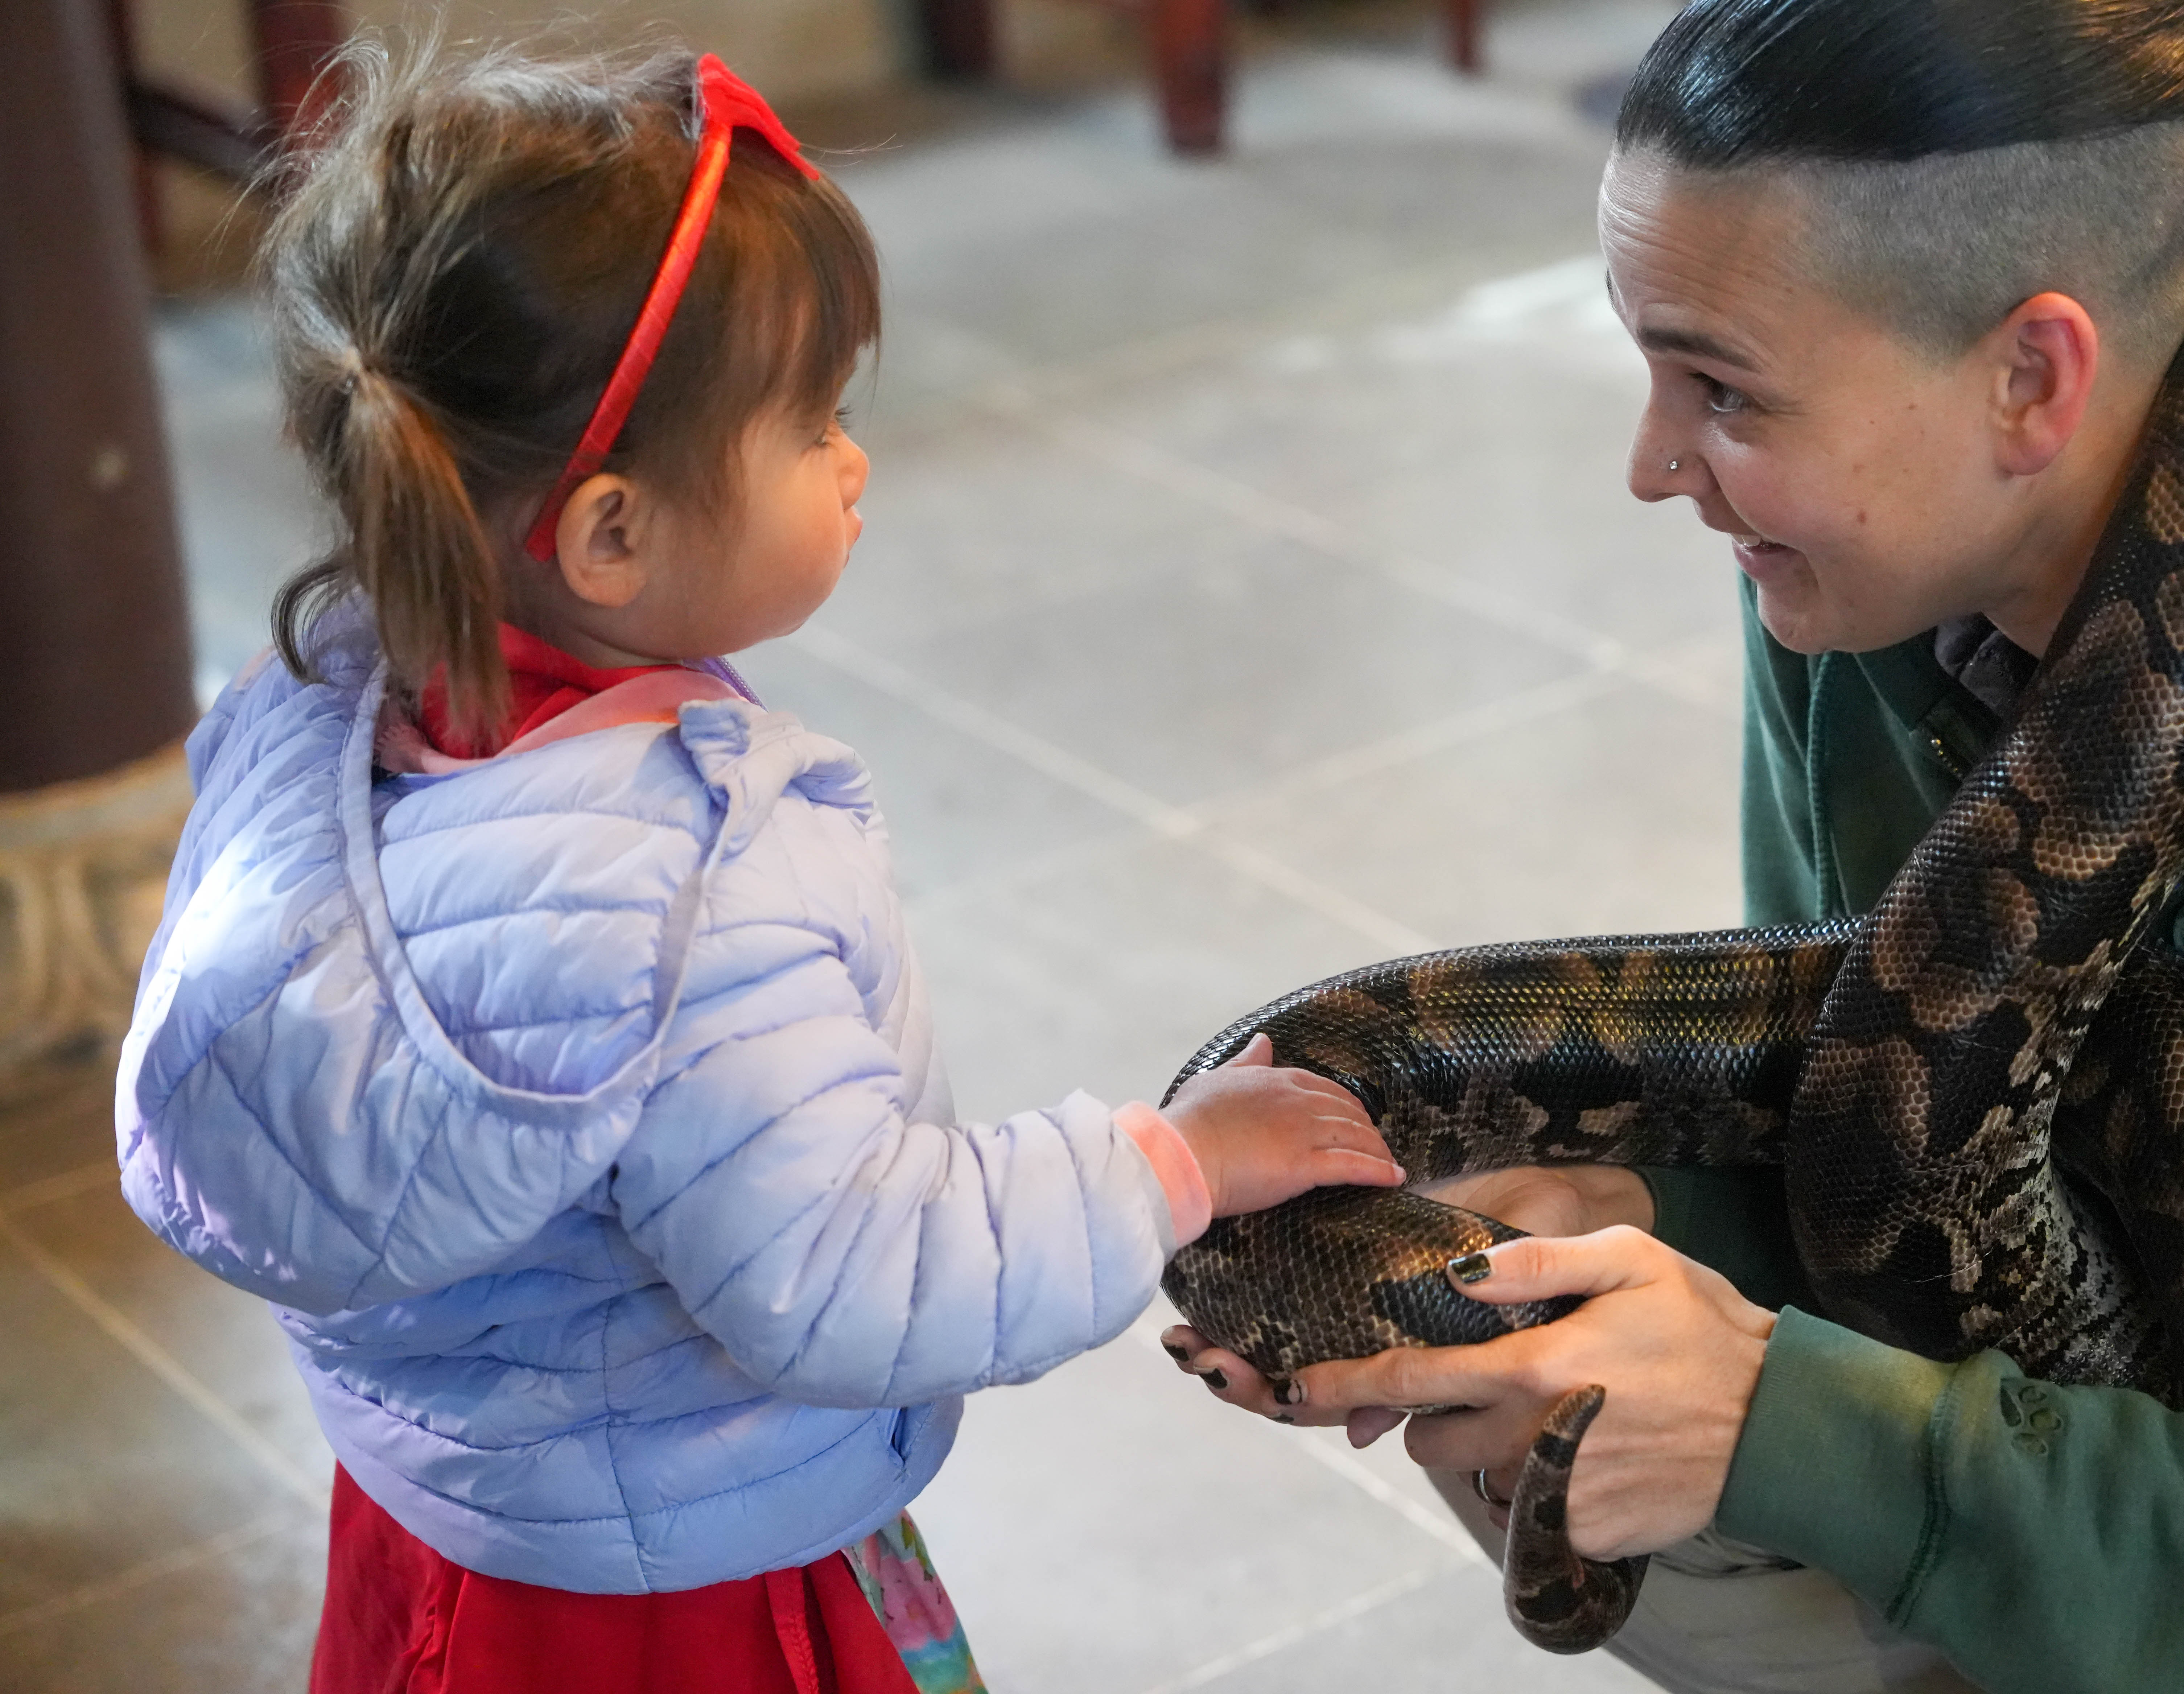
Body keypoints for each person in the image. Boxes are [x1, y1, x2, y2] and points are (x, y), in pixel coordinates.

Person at [1166, 0, 2184, 1688]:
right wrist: (1650, 1207)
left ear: (2032, 377)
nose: (1654, 466)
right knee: (1558, 1386)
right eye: (1651, 365)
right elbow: (1874, 1119)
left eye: (1724, 390)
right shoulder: (1879, 551)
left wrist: (1787, 1422)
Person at [114, 43, 1403, 1694]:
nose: (853, 461)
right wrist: (1173, 1167)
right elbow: (859, 1273)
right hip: (686, 1592)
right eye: (813, 423)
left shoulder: (324, 706)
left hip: (460, 1531)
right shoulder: (691, 885)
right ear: (610, 537)